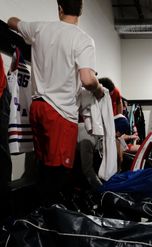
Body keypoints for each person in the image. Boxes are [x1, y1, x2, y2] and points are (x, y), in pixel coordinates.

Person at [7, 0, 104, 205]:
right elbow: (87, 79)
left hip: (38, 108)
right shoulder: (83, 39)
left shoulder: (40, 28)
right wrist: (98, 89)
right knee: (58, 173)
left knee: (42, 167)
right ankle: (51, 222)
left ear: (60, 8)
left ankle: (37, 220)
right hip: (60, 112)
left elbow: (11, 21)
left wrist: (22, 24)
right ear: (81, 11)